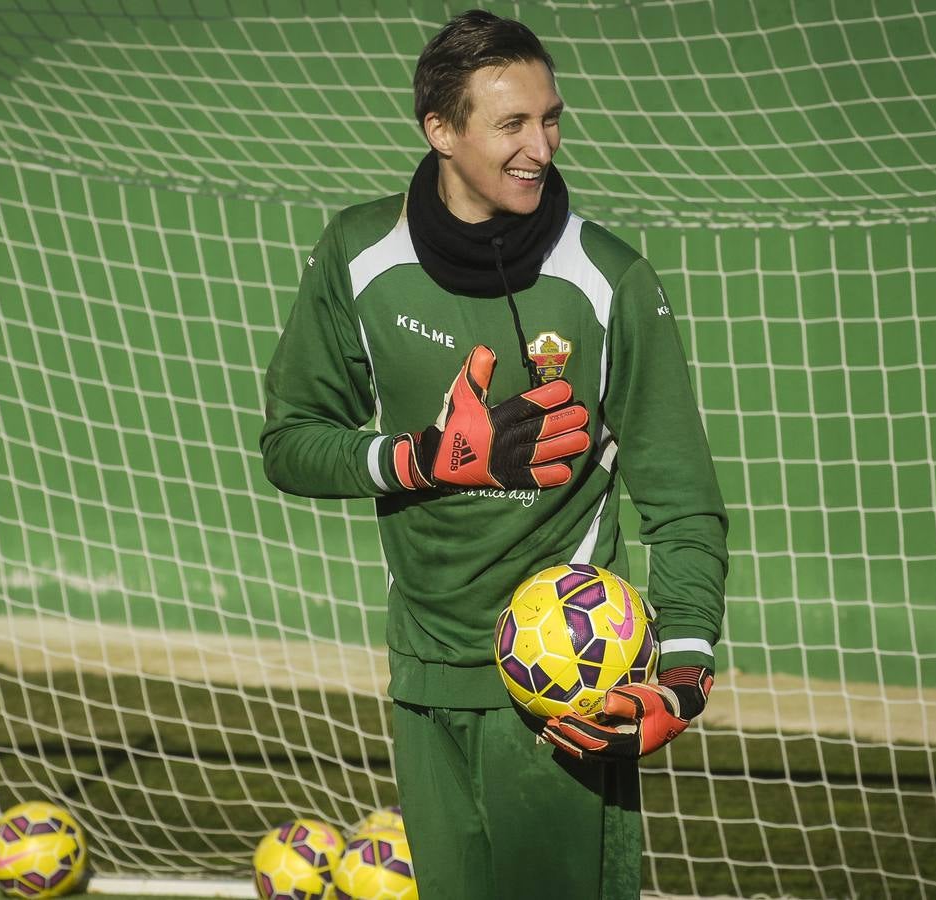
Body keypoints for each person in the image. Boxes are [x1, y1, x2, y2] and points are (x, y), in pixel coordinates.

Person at [260, 10, 728, 898]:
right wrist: (423, 458)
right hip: (423, 670)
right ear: (440, 128)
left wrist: (685, 675)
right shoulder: (358, 256)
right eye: (511, 124)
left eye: (550, 118)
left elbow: (681, 497)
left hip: (567, 698)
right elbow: (291, 445)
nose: (541, 147)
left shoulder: (607, 279)